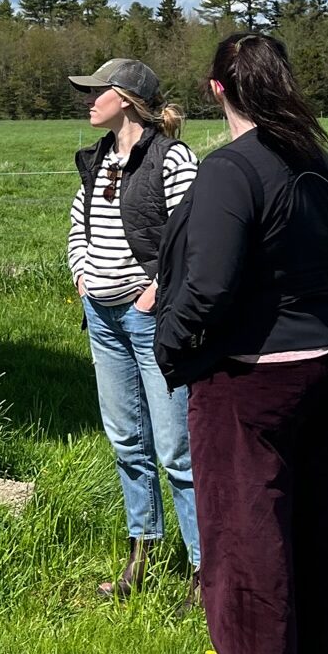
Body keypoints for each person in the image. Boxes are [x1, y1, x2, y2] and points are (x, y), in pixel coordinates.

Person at [155, 32, 328, 654]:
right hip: (324, 364)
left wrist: (169, 343)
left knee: (248, 544)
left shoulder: (229, 171)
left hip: (248, 381)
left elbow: (209, 285)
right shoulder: (320, 163)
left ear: (216, 88)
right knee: (327, 529)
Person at [67, 57, 201, 601]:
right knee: (127, 441)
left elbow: (195, 239)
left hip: (151, 322)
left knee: (176, 450)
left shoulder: (173, 160)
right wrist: (81, 272)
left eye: (97, 91)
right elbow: (80, 223)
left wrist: (155, 295)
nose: (89, 100)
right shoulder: (97, 160)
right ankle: (139, 559)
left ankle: (203, 567)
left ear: (124, 98)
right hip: (101, 319)